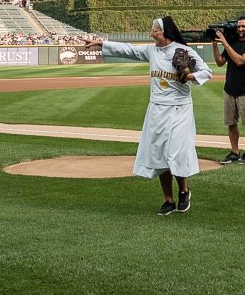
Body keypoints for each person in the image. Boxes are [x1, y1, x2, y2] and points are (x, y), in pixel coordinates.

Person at [88, 17, 211, 215]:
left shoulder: (184, 51)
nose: (151, 34)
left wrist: (189, 76)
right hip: (157, 109)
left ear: (166, 33)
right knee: (159, 154)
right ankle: (168, 200)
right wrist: (102, 43)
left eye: (155, 31)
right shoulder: (152, 51)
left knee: (177, 152)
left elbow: (207, 71)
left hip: (180, 108)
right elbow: (128, 50)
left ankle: (184, 191)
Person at [213, 17, 245, 164]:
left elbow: (240, 61)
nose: (240, 29)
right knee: (231, 122)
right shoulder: (233, 42)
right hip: (230, 88)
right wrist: (214, 45)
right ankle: (234, 152)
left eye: (243, 27)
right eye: (238, 27)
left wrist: (225, 43)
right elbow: (220, 62)